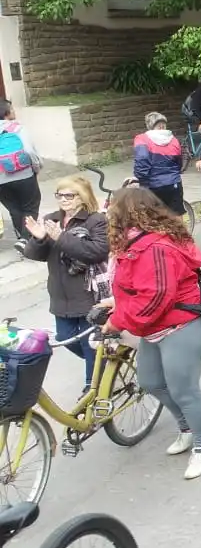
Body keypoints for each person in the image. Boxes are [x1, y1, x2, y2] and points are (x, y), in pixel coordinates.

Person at [102, 187, 201, 479]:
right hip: (156, 326)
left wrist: (117, 320)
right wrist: (117, 303)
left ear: (127, 213)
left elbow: (155, 296)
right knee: (151, 382)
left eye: (111, 209)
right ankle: (188, 427)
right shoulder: (134, 241)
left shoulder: (155, 246)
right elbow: (137, 287)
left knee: (184, 390)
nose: (107, 214)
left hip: (182, 325)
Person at [22, 176, 107, 391]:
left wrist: (61, 237)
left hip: (89, 294)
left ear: (83, 196)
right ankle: (103, 364)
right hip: (61, 295)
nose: (63, 199)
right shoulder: (52, 219)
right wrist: (40, 238)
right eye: (59, 195)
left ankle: (93, 390)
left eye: (69, 195)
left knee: (90, 346)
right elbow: (35, 255)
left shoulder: (96, 220)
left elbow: (95, 253)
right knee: (65, 338)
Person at [0, 99, 42, 254]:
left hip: (1, 181)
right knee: (30, 206)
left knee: (14, 209)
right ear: (6, 113)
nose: (14, 111)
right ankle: (26, 240)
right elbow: (30, 151)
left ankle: (23, 240)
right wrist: (36, 168)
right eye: (11, 108)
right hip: (23, 175)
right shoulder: (17, 128)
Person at [133, 112, 186, 216]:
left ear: (149, 125)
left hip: (153, 186)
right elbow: (179, 163)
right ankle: (180, 232)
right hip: (173, 183)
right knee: (176, 215)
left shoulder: (142, 139)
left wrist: (141, 181)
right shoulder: (173, 140)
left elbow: (142, 162)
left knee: (154, 218)